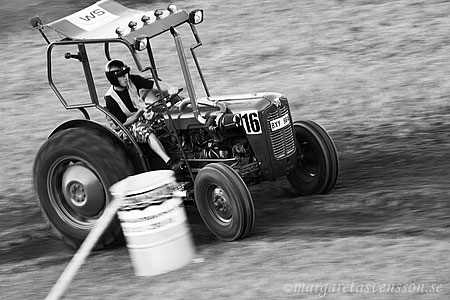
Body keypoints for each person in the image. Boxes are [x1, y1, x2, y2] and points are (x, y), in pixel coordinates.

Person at [104, 59, 183, 171]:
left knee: (165, 117)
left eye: (126, 74)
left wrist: (170, 89)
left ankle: (181, 148)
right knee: (146, 131)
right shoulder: (110, 99)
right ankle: (169, 162)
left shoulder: (132, 80)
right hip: (126, 127)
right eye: (121, 76)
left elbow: (154, 84)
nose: (126, 77)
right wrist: (138, 114)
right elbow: (121, 124)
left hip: (142, 115)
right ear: (113, 79)